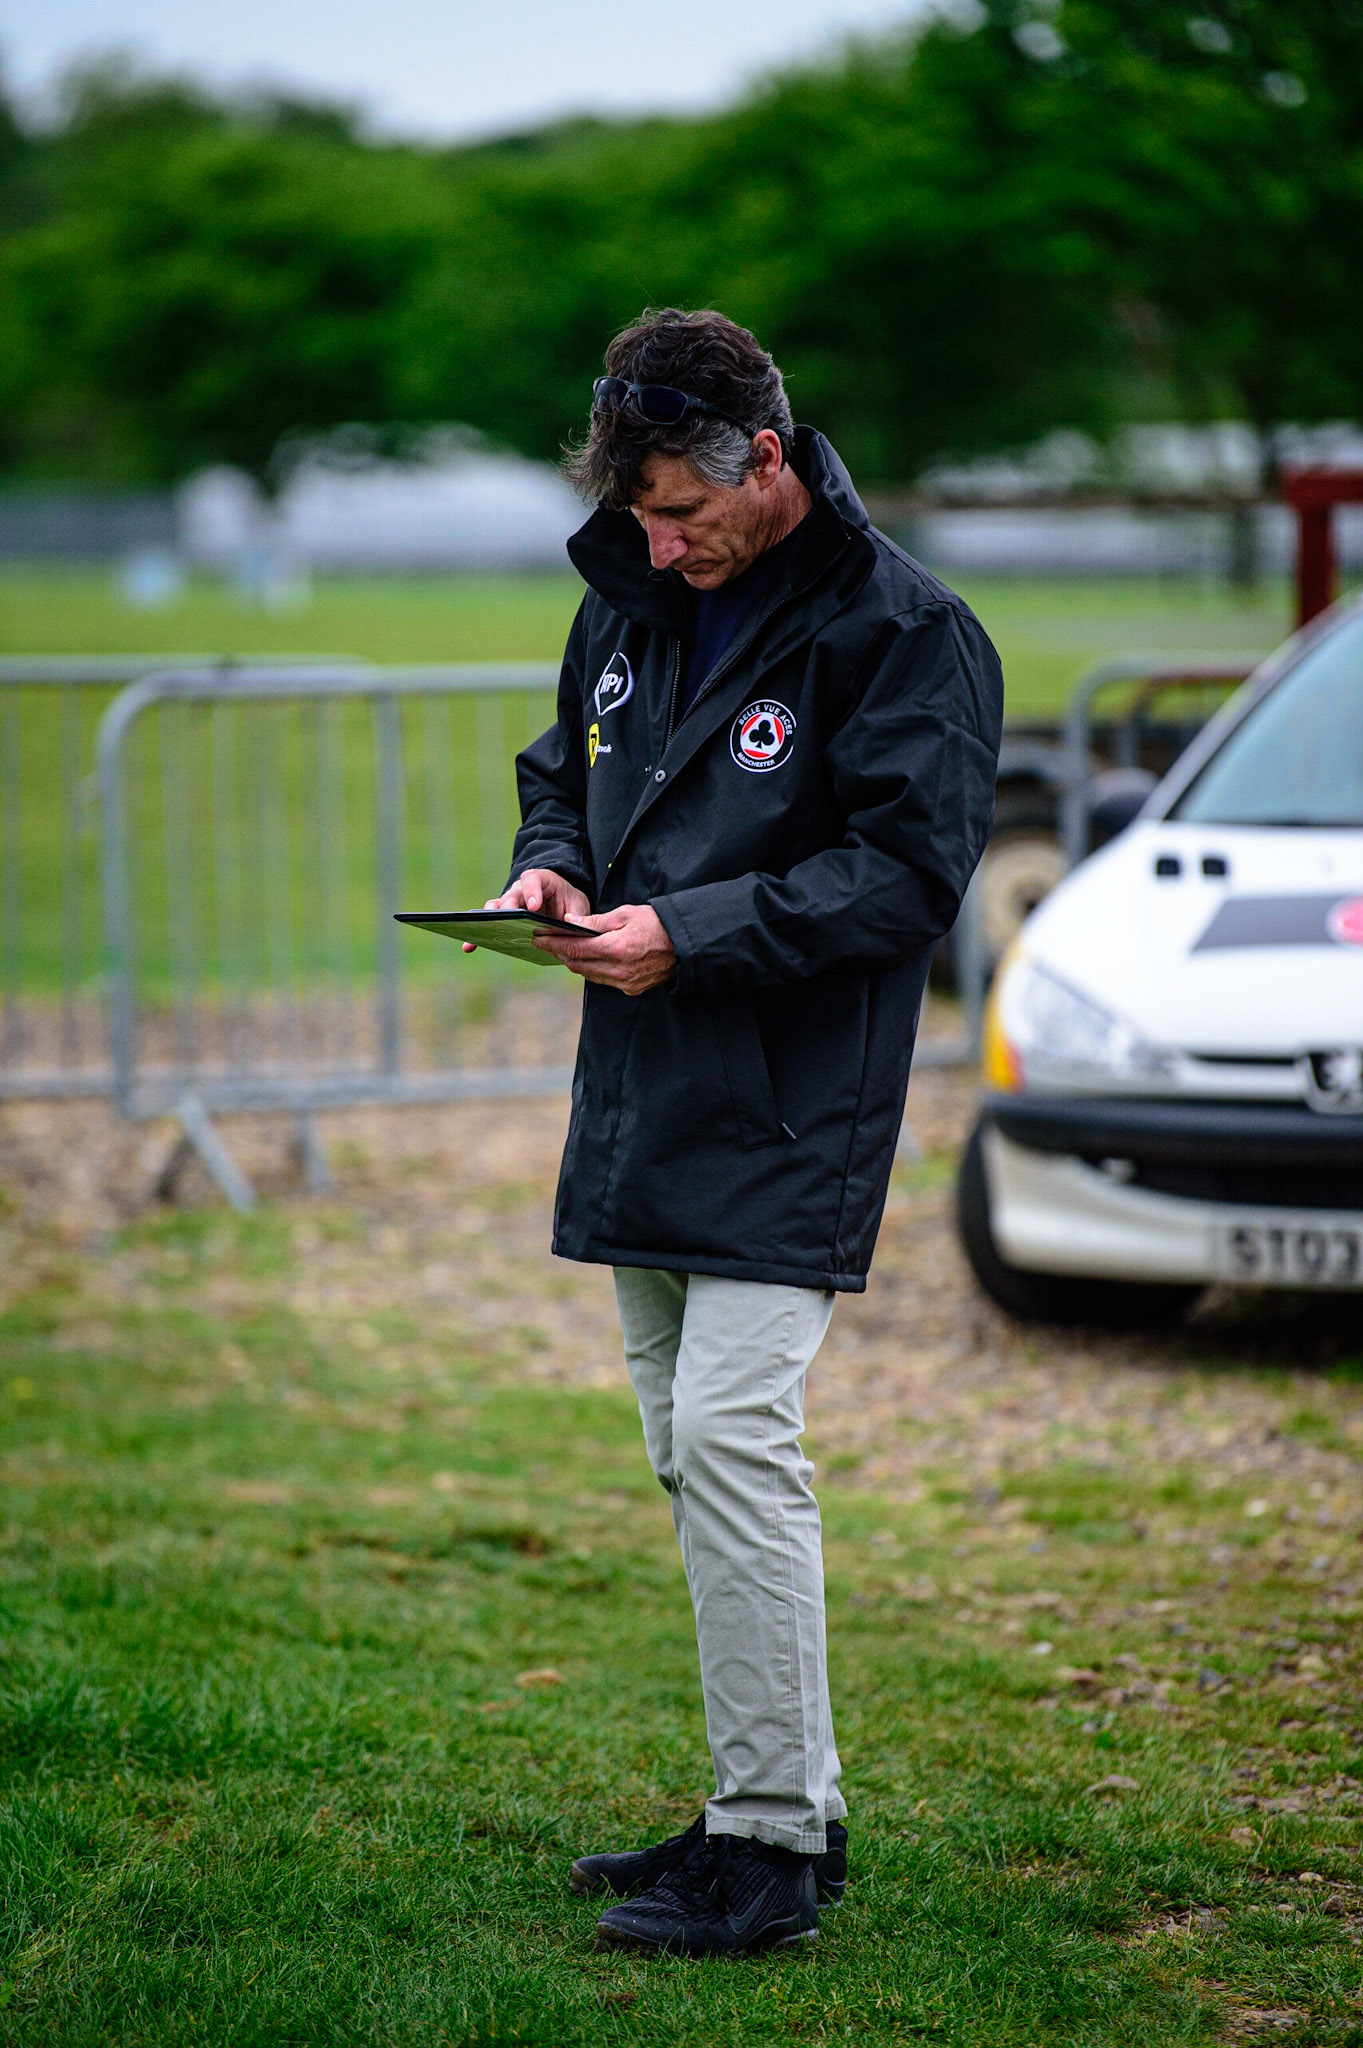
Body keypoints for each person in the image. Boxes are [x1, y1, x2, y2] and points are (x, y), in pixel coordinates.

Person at [483, 308, 1003, 1956]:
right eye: (639, 516)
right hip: (641, 1089)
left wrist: (689, 934)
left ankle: (770, 1852)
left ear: (765, 459)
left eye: (683, 515)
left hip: (793, 1097)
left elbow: (909, 879)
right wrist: (553, 863)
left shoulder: (909, 630)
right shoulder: (627, 591)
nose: (659, 544)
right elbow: (561, 765)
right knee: (687, 1458)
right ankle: (772, 1805)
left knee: (729, 1443)